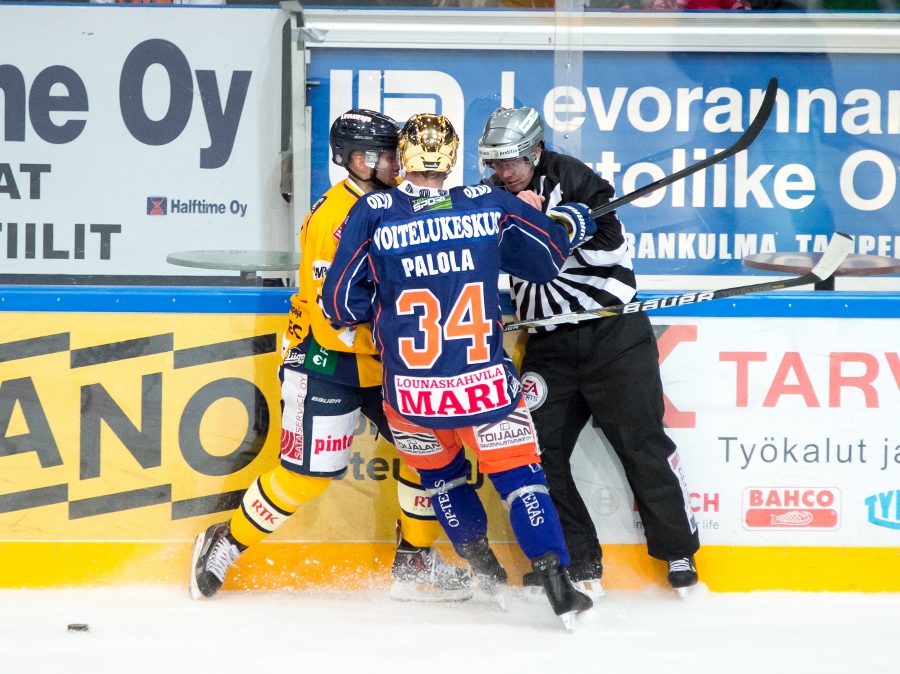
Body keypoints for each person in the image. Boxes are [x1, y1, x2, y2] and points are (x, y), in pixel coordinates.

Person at [321, 113, 596, 628]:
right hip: (484, 387)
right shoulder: (487, 203)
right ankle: (558, 582)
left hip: (410, 394)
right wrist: (557, 218)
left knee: (443, 482)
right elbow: (546, 260)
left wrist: (384, 305)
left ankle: (483, 569)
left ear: (402, 158)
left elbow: (339, 301)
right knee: (523, 482)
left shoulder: (374, 210)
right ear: (452, 159)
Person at [189, 109, 471, 603]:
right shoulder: (334, 219)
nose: (400, 162)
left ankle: (415, 559)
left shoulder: (393, 202)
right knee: (306, 474)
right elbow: (336, 314)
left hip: (384, 361)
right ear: (359, 161)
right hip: (327, 359)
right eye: (390, 155)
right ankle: (225, 541)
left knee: (430, 449)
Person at [477, 106, 701, 597]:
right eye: (496, 164)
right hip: (549, 344)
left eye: (512, 161)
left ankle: (678, 549)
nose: (504, 172)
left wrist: (550, 223)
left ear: (535, 151)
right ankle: (576, 560)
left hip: (613, 336)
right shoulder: (492, 197)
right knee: (538, 454)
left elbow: (606, 246)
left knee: (642, 444)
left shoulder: (577, 179)